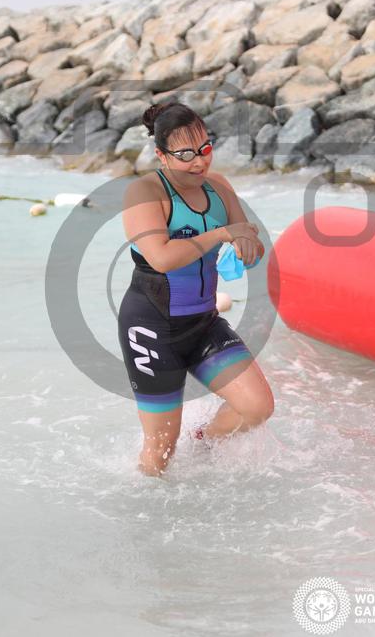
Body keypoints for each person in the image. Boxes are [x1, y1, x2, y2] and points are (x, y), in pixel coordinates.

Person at [118, 101, 274, 477]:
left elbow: (246, 240)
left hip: (203, 323)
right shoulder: (144, 193)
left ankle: (203, 444)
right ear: (161, 155)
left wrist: (246, 247)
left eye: (205, 149)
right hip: (152, 329)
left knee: (256, 407)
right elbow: (161, 258)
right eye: (186, 154)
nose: (199, 161)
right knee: (161, 450)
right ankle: (145, 505)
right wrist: (222, 234)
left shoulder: (219, 187)